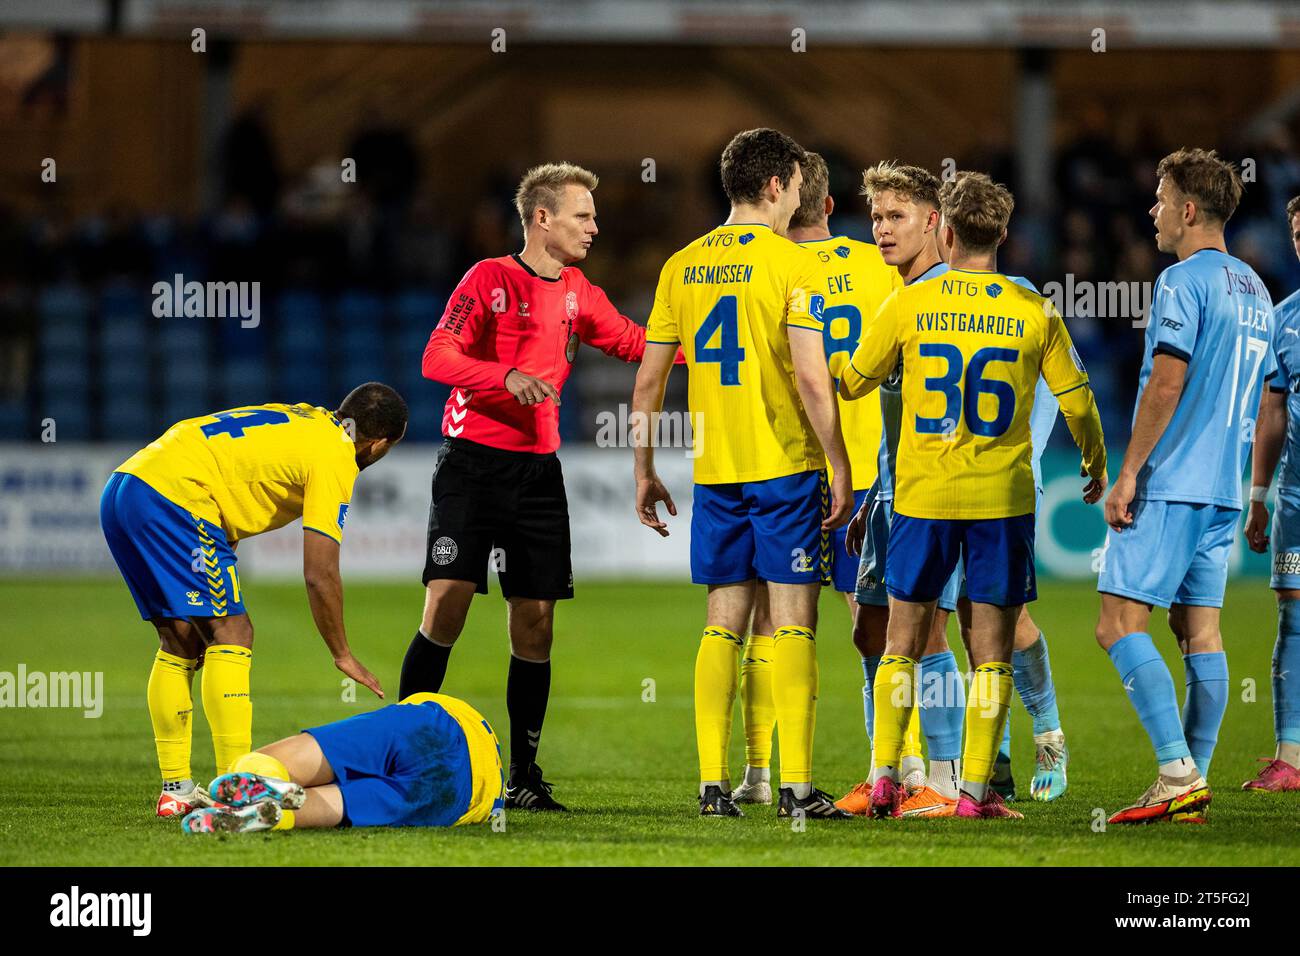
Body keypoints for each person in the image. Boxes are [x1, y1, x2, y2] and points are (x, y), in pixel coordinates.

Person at [840, 171, 1106, 819]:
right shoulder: (1026, 306)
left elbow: (852, 384)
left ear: (942, 227)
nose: (881, 229)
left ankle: (1025, 744)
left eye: (895, 216)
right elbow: (1078, 396)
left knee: (933, 634)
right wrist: (1096, 462)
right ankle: (962, 787)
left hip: (931, 494)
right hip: (974, 495)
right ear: (1006, 232)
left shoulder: (908, 308)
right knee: (969, 642)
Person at [406, 162, 660, 812]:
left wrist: (715, 348)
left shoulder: (579, 290)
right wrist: (503, 376)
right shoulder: (487, 277)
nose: (595, 227)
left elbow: (636, 343)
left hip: (538, 474)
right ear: (542, 218)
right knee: (449, 601)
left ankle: (523, 775)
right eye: (583, 215)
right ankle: (406, 758)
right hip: (471, 464)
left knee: (537, 620)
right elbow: (438, 355)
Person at [632, 128, 854, 820]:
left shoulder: (681, 265)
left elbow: (647, 383)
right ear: (774, 185)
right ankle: (794, 786)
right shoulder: (792, 265)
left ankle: (711, 787)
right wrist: (839, 463)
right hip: (784, 465)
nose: (797, 198)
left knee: (722, 624)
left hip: (717, 471)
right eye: (793, 184)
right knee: (792, 624)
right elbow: (814, 381)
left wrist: (644, 468)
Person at [100, 383, 407, 817]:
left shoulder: (307, 416)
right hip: (177, 496)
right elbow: (320, 574)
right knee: (234, 631)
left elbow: (237, 474)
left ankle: (177, 789)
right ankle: (235, 786)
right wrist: (342, 654)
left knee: (182, 639)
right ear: (378, 444)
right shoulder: (336, 457)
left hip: (127, 487)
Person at [1095, 148, 1274, 824]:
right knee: (1200, 630)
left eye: (1162, 199)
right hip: (1224, 487)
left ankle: (1175, 771)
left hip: (1173, 481)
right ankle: (1191, 786)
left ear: (1189, 210)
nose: (1153, 211)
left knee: (1117, 623)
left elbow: (1168, 380)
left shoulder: (1181, 280)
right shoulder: (1254, 287)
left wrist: (1132, 470)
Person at [728, 151, 897, 807]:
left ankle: (756, 774)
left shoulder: (760, 270)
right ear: (829, 206)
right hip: (866, 471)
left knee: (768, 624)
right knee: (879, 625)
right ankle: (898, 769)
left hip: (782, 466)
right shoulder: (879, 266)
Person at [180, 692, 504, 833]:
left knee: (254, 763)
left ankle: (264, 783)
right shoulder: (494, 792)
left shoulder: (425, 712)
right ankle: (268, 814)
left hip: (437, 727)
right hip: (460, 799)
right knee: (338, 805)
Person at [1241, 193, 1300, 794]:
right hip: (1297, 500)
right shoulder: (1284, 318)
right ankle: (1291, 758)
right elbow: (1272, 413)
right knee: (1295, 618)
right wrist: (1259, 494)